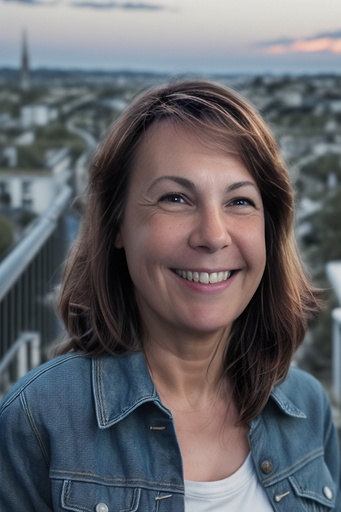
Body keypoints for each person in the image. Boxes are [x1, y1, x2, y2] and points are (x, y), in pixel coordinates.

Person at [0, 79, 340, 511]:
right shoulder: (36, 424)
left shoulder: (307, 408)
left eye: (239, 202)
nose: (213, 236)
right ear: (117, 224)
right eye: (176, 198)